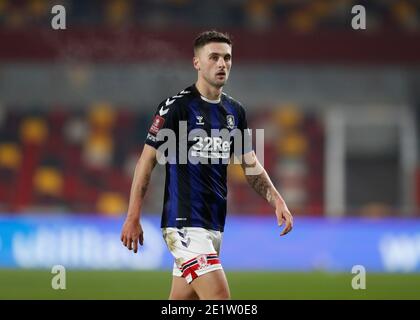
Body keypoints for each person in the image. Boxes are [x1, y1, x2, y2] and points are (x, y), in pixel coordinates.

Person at [120, 30, 293, 300]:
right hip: (184, 224)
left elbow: (250, 164)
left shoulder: (235, 112)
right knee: (220, 300)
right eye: (213, 57)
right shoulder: (176, 107)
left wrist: (277, 199)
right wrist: (133, 216)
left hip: (214, 225)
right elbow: (146, 161)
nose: (222, 63)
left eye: (227, 58)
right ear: (197, 63)